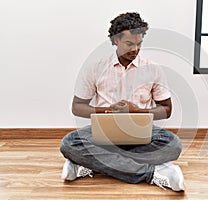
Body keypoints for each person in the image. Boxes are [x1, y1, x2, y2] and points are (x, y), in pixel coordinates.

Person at [60, 12, 185, 192]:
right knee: (69, 143)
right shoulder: (95, 68)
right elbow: (77, 107)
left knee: (173, 146)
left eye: (139, 44)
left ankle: (89, 164)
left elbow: (166, 109)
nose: (135, 49)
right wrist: (108, 110)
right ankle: (154, 172)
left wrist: (136, 111)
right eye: (129, 44)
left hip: (141, 132)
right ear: (115, 40)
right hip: (104, 132)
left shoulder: (153, 69)